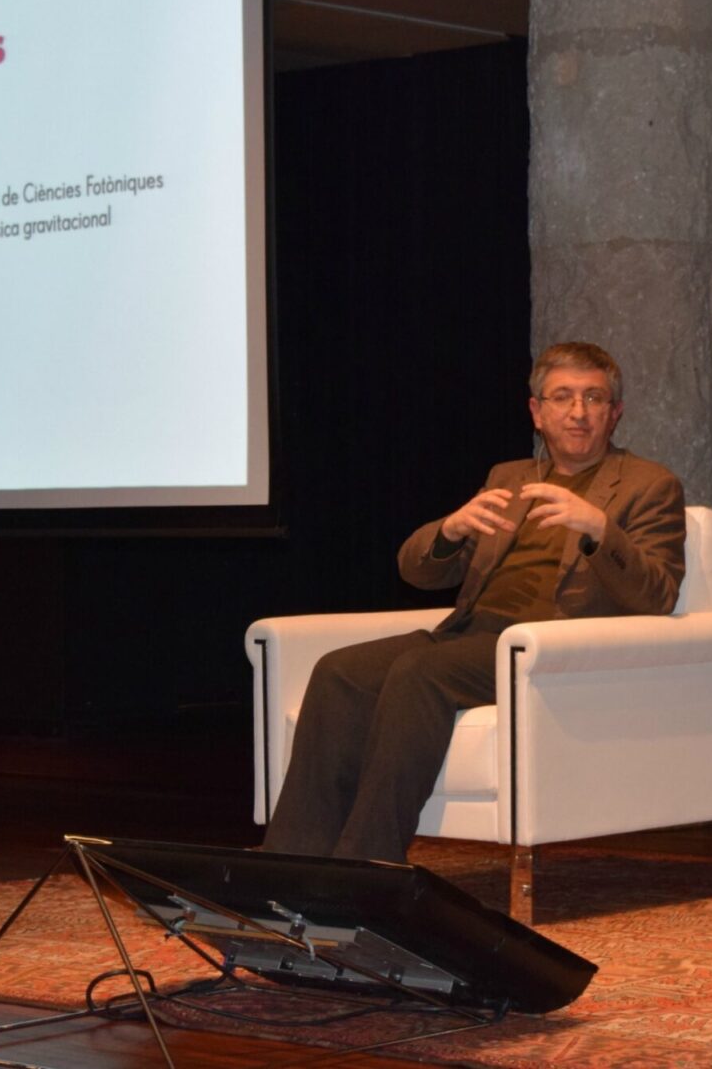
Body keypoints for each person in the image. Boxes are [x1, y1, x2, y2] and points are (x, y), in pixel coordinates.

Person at [260, 341, 687, 864]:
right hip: (469, 634)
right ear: (536, 411)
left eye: (594, 398)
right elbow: (415, 570)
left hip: (544, 647)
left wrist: (598, 528)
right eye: (563, 397)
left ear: (615, 412)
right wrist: (450, 530)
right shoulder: (509, 478)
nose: (578, 412)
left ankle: (365, 866)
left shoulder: (650, 486)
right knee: (339, 670)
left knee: (422, 670)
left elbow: (659, 595)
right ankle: (288, 864)